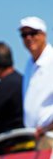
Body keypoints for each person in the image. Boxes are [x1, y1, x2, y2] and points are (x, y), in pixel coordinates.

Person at [19, 16, 53, 149]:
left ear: (44, 35)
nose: (28, 38)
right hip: (36, 137)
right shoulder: (29, 64)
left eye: (33, 33)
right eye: (24, 35)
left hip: (49, 135)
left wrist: (48, 127)